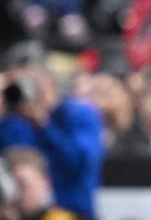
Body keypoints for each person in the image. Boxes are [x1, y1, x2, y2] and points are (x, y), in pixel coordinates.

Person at [0, 65, 104, 219]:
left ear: (49, 83)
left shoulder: (79, 113)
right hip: (19, 212)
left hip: (73, 211)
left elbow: (80, 163)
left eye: (31, 82)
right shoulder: (14, 122)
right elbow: (8, 160)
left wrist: (44, 124)